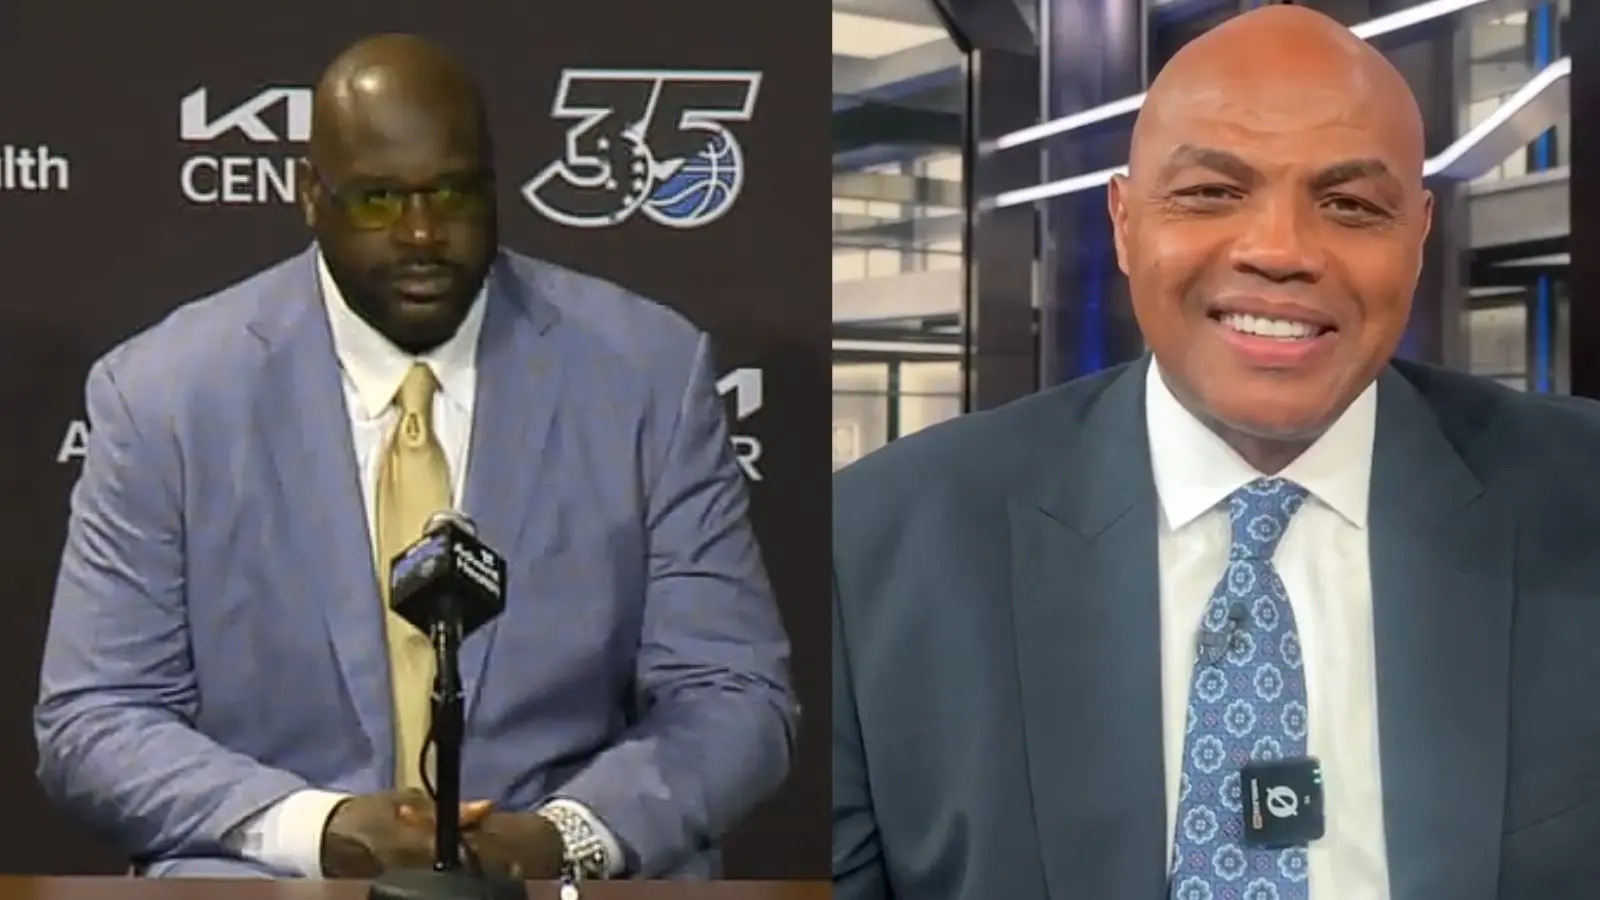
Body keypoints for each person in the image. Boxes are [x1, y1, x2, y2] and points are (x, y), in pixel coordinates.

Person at [832, 6, 1600, 900]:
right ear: (1123, 222)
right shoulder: (881, 546)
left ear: (1418, 237)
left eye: (1351, 204)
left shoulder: (1580, 496)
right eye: (1210, 193)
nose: (1279, 250)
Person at [35, 33, 796, 881]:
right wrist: (317, 828)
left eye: (454, 193)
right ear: (308, 196)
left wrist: (563, 836)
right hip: (274, 880)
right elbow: (97, 717)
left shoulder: (648, 372)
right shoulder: (164, 394)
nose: (423, 233)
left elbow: (733, 698)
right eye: (377, 201)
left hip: (560, 879)